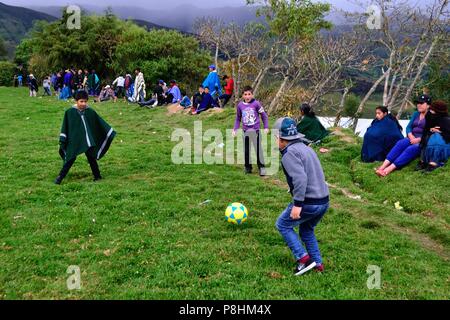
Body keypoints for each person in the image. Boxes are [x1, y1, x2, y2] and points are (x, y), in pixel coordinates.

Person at [274, 117, 330, 276]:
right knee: (306, 230)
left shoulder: (289, 153)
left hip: (309, 202)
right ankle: (318, 264)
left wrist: (298, 204)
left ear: (281, 138)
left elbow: (300, 179)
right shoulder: (305, 147)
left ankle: (304, 259)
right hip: (323, 200)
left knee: (283, 224)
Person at [55, 90, 116, 185]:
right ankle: (60, 178)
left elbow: (98, 123)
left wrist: (109, 132)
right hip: (75, 140)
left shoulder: (90, 112)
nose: (83, 104)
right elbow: (65, 127)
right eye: (81, 101)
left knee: (91, 157)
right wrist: (63, 140)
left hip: (88, 140)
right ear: (76, 101)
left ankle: (97, 176)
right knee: (70, 158)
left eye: (85, 101)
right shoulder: (70, 112)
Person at [376, 95, 431, 177]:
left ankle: (388, 170)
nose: (419, 105)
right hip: (411, 137)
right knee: (400, 143)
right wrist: (410, 135)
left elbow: (430, 132)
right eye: (418, 103)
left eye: (422, 103)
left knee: (411, 148)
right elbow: (409, 127)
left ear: (428, 105)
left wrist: (419, 139)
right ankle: (382, 167)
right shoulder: (416, 114)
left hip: (422, 141)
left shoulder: (432, 116)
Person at [232, 86, 269, 176]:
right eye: (245, 94)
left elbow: (264, 116)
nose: (247, 96)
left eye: (249, 94)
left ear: (252, 95)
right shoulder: (240, 105)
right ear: (242, 96)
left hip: (255, 131)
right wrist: (235, 129)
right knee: (246, 151)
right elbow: (238, 118)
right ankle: (248, 167)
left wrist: (266, 127)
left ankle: (262, 168)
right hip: (245, 131)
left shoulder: (256, 104)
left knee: (258, 150)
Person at [417, 100, 450, 172]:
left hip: (443, 143)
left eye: (433, 109)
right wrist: (431, 129)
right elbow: (426, 129)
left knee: (437, 138)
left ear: (438, 110)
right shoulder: (430, 116)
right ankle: (424, 161)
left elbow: (448, 133)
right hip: (430, 139)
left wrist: (440, 131)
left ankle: (434, 163)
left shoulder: (446, 120)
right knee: (427, 138)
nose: (430, 110)